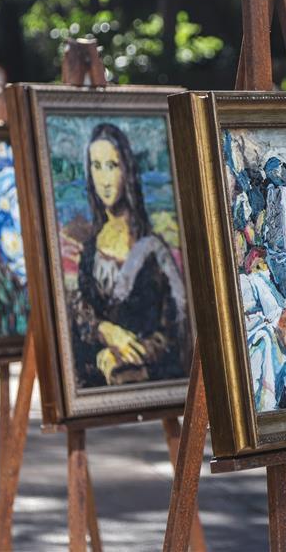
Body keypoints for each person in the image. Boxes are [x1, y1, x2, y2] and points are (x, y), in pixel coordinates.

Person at [69, 122, 189, 388]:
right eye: (96, 166)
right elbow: (79, 325)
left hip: (147, 380)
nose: (104, 179)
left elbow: (176, 332)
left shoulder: (153, 250)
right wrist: (105, 332)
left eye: (112, 165)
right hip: (97, 385)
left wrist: (128, 353)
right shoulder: (91, 250)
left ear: (127, 170)